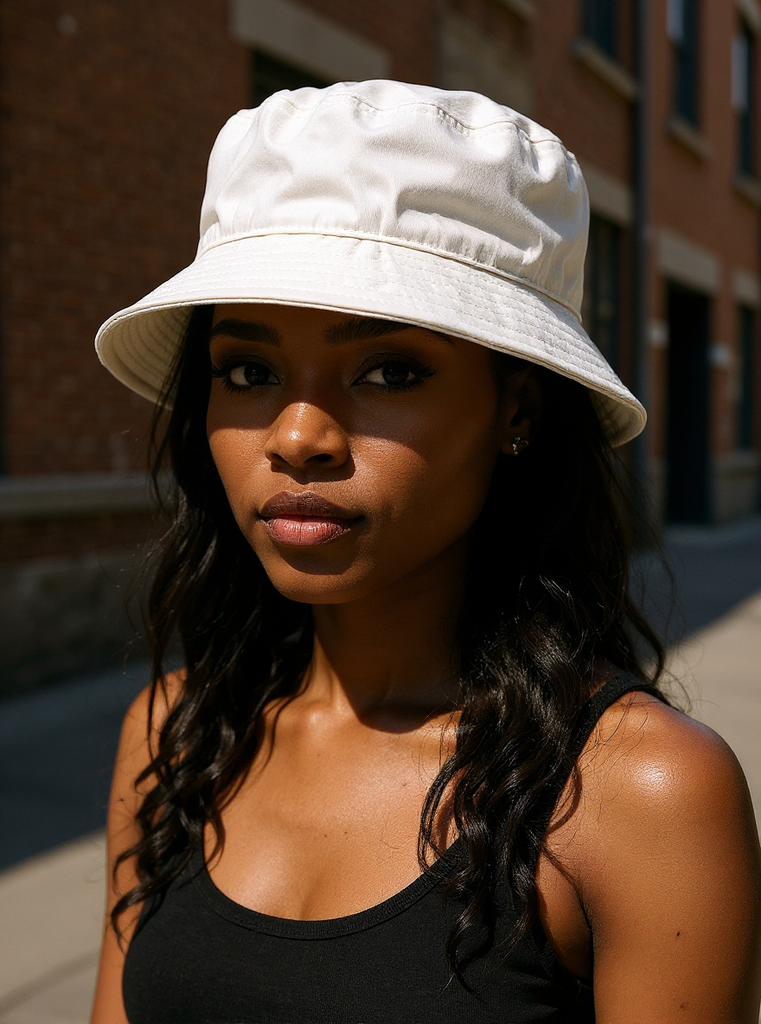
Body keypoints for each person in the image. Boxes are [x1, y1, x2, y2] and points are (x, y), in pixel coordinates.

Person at [90, 81, 761, 1023]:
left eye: (388, 371)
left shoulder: (638, 795)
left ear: (516, 411)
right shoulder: (174, 734)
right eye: (249, 371)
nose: (298, 435)